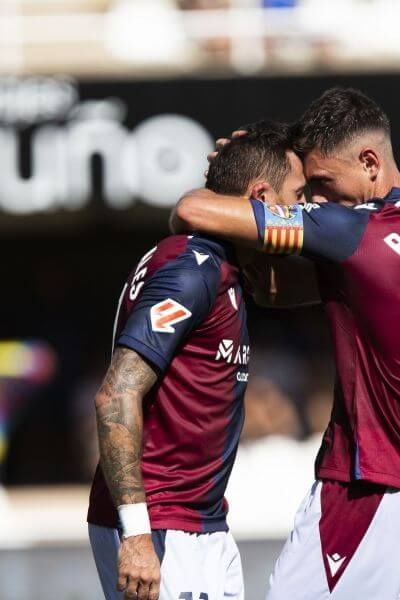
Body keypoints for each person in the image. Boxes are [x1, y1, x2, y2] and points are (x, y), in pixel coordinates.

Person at [173, 88, 400, 599]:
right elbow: (273, 290)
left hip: (369, 488)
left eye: (323, 183)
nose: (314, 198)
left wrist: (229, 177)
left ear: (370, 162)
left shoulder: (351, 229)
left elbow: (193, 210)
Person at [87, 121, 307, 600]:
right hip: (162, 527)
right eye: (299, 195)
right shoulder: (191, 269)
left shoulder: (223, 265)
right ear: (263, 196)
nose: (304, 211)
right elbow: (115, 394)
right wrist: (138, 534)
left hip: (202, 522)